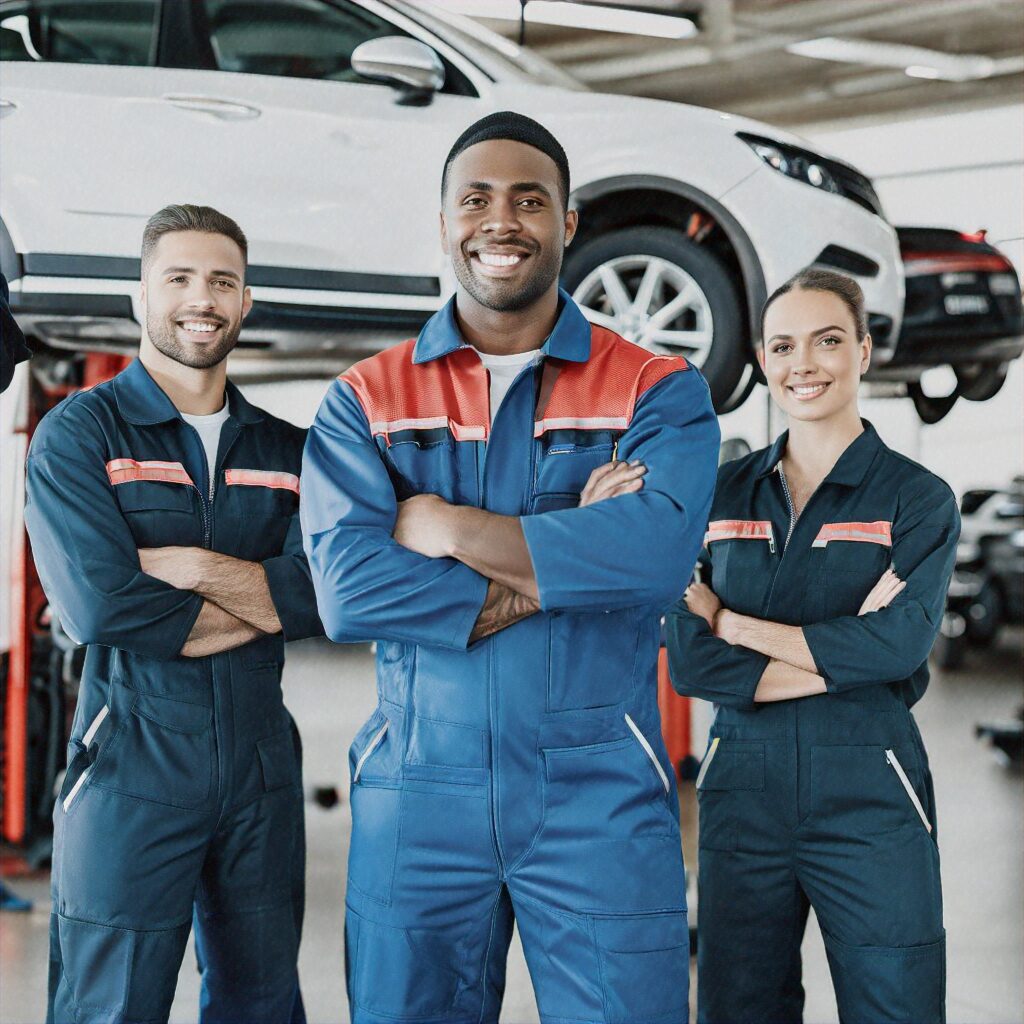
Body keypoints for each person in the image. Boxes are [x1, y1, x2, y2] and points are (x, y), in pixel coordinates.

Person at [302, 111, 719, 1024]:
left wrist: (444, 524)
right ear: (444, 219)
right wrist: (575, 542)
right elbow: (349, 590)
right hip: (416, 794)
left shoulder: (656, 387)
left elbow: (654, 560)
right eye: (477, 199)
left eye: (531, 200)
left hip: (597, 790)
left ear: (569, 224)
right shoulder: (366, 399)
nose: (503, 221)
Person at [25, 205, 323, 1024]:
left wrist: (188, 569)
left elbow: (323, 594)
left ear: (246, 302)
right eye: (180, 279)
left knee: (260, 1003)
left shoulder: (288, 451)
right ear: (140, 297)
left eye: (222, 281)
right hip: (130, 764)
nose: (202, 299)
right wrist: (265, 600)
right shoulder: (80, 435)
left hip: (261, 768)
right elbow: (100, 604)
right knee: (109, 1006)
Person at [666, 268, 958, 1024]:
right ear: (763, 360)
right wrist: (842, 651)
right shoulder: (720, 493)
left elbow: (897, 649)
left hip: (871, 788)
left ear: (863, 351)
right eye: (784, 345)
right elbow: (694, 663)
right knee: (738, 1006)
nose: (805, 363)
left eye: (827, 341)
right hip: (742, 792)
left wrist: (732, 624)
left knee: (898, 1003)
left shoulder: (916, 498)